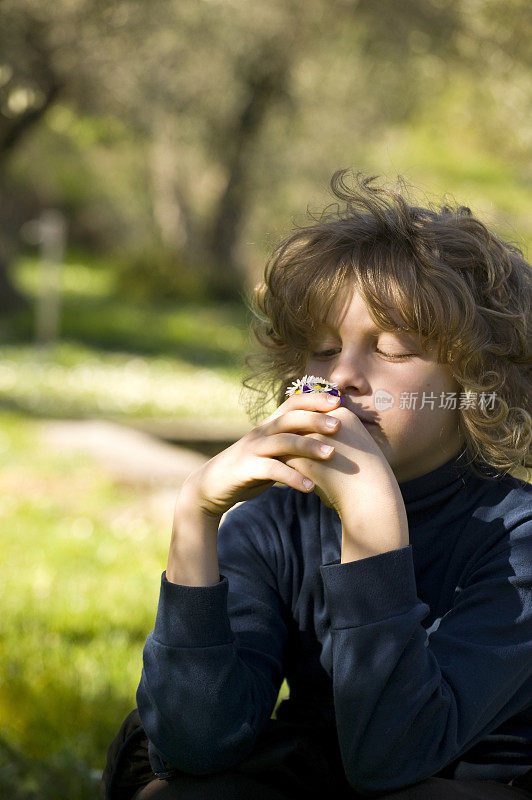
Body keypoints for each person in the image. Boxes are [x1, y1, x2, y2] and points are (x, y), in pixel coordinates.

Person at [101, 170, 532, 799]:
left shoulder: (515, 535)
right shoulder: (272, 522)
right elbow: (192, 747)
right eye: (323, 349)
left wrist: (370, 514)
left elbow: (395, 756)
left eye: (393, 350)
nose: (344, 377)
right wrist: (194, 519)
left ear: (474, 381)